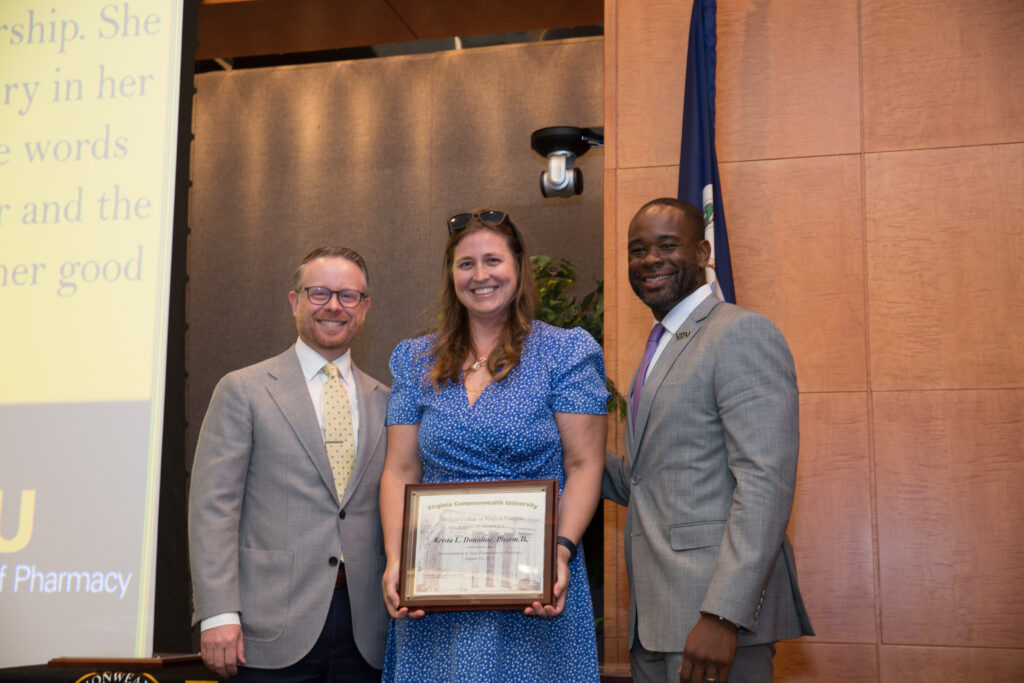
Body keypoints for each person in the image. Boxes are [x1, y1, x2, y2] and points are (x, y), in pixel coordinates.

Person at [379, 209, 607, 682]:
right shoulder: (415, 359)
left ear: (519, 267)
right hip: (437, 597)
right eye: (466, 264)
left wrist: (560, 552)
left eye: (493, 260)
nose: (480, 275)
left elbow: (584, 465)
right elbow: (400, 470)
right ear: (451, 274)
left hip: (534, 591)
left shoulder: (566, 352)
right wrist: (399, 561)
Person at [603, 198, 814, 683]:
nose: (649, 259)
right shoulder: (660, 346)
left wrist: (724, 615)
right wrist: (560, 447)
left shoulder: (740, 333)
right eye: (637, 250)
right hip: (653, 625)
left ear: (702, 253)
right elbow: (646, 481)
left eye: (667, 245)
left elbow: (764, 484)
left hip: (714, 627)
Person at [189, 246, 390, 681]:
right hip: (267, 630)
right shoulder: (244, 389)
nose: (334, 305)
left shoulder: (388, 402)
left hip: (367, 633)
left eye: (348, 295)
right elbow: (213, 509)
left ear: (365, 308)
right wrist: (218, 612)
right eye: (319, 293)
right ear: (294, 301)